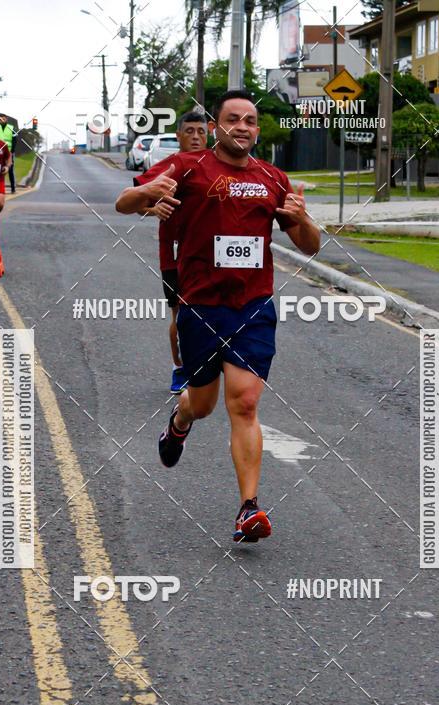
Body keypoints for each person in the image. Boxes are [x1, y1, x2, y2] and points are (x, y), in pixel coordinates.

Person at [115, 90, 320, 543]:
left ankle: (248, 508)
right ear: (215, 127)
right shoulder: (188, 168)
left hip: (252, 306)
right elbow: (124, 203)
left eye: (250, 120)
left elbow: (310, 246)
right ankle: (179, 421)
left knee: (244, 404)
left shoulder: (273, 178)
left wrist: (303, 220)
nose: (242, 126)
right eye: (233, 119)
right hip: (200, 307)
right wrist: (146, 192)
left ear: (257, 129)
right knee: (202, 404)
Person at [139, 111, 207, 394]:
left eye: (200, 131)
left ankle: (208, 366)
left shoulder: (219, 166)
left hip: (210, 255)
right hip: (175, 255)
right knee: (180, 316)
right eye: (189, 131)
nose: (195, 136)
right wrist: (151, 208)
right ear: (178, 135)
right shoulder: (169, 166)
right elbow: (135, 197)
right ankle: (180, 368)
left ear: (210, 134)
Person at [0, 113, 16, 193]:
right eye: (0, 119)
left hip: (9, 152)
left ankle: (13, 188)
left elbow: (15, 140)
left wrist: (12, 152)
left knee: (10, 170)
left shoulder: (11, 128)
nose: (2, 120)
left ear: (6, 119)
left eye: (3, 119)